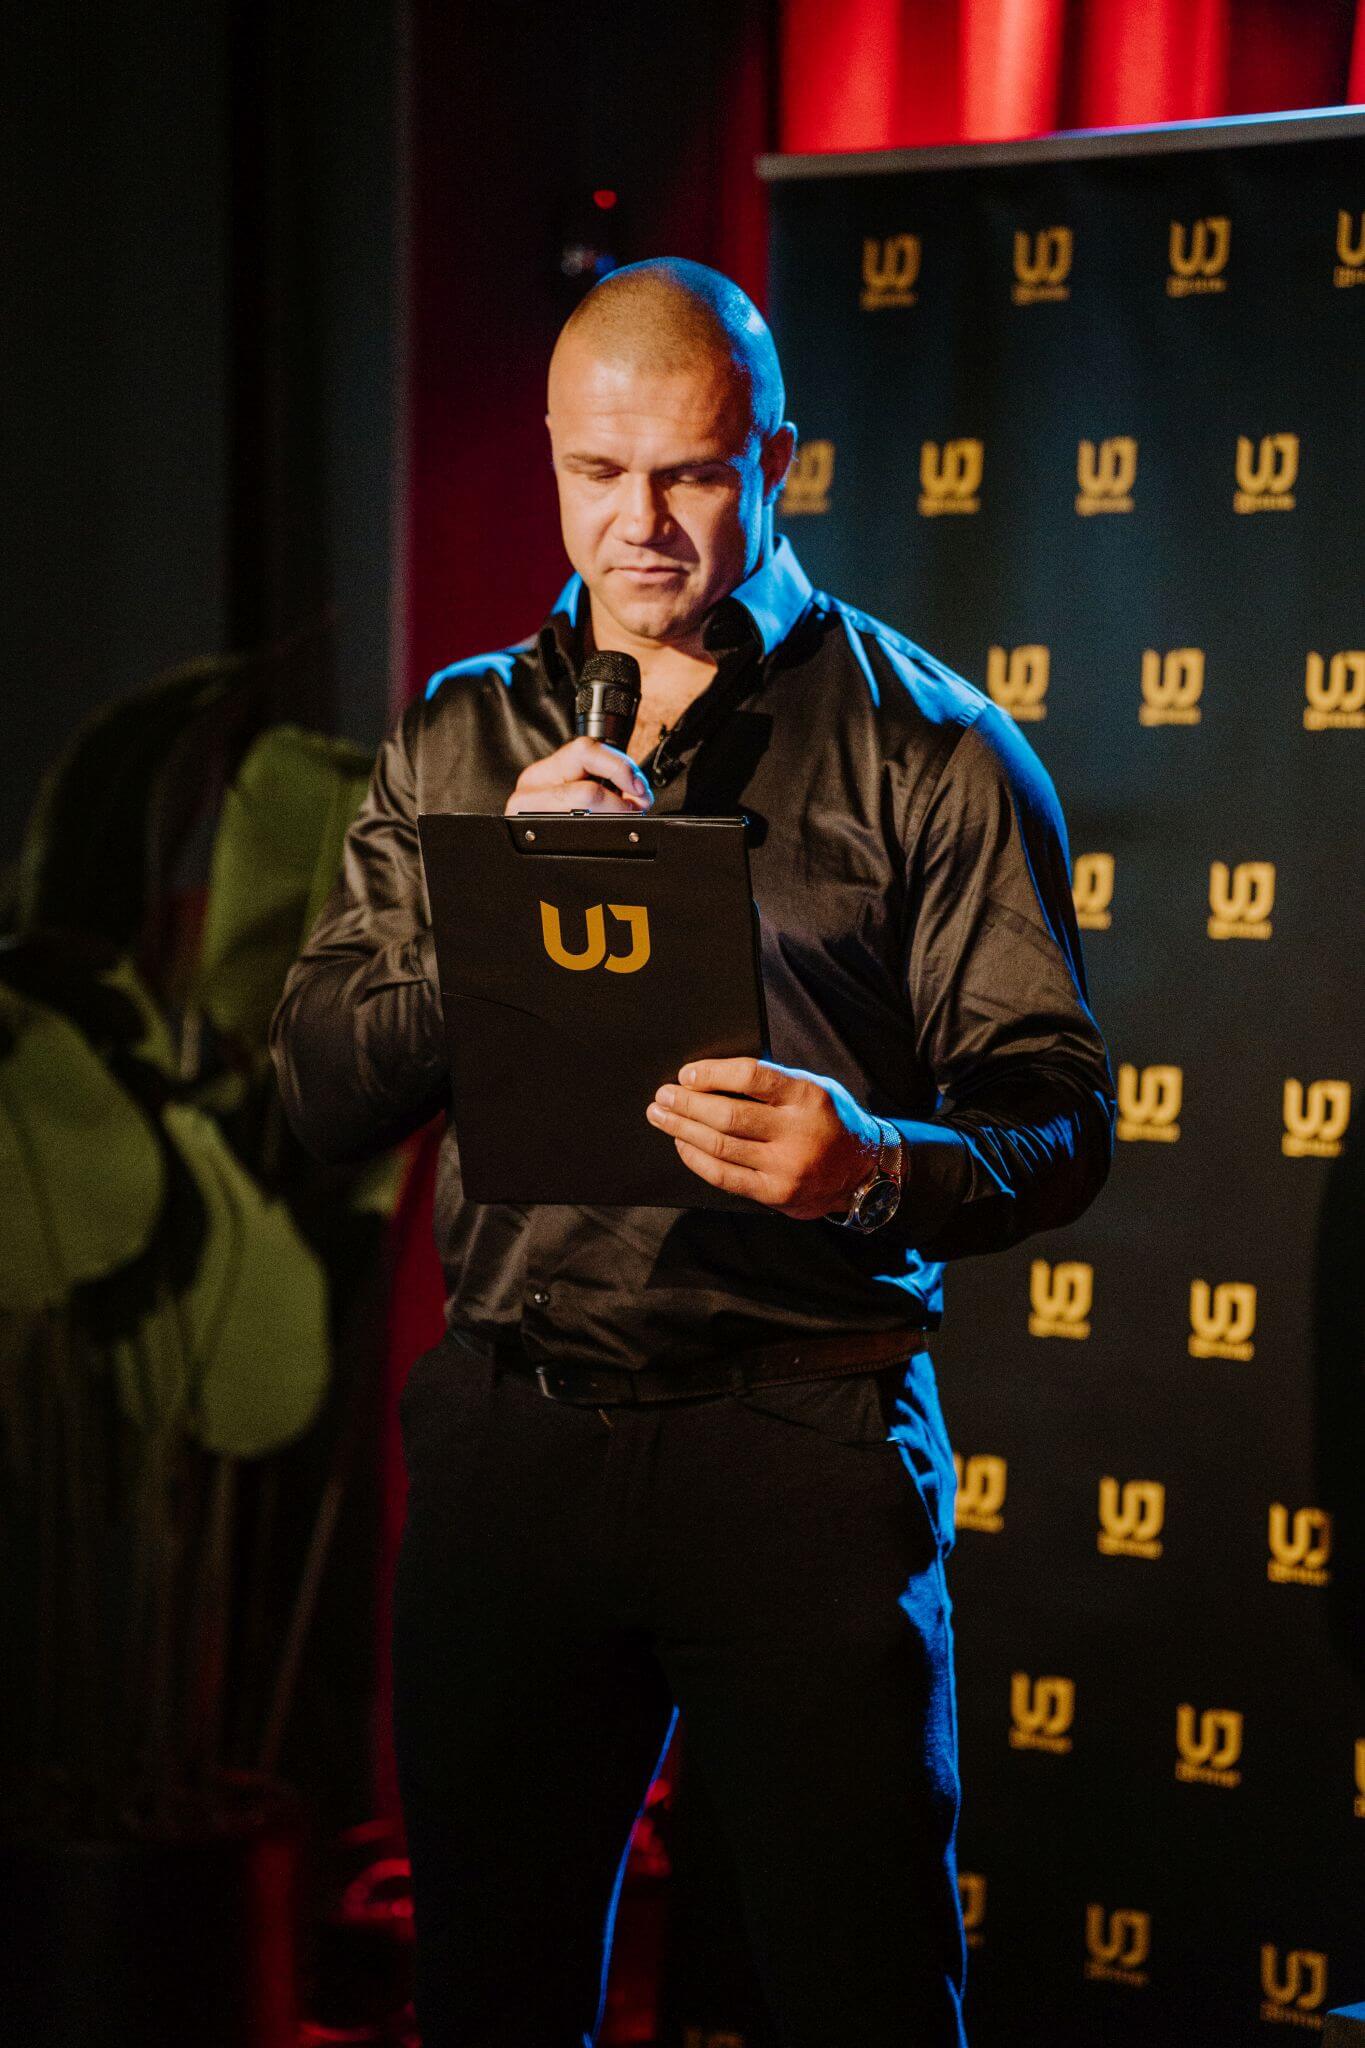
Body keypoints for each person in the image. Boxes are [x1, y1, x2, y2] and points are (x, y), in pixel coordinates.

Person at [271, 257, 1114, 2048]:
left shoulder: (930, 744)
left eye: (690, 475)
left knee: (860, 1991)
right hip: (514, 1436)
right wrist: (488, 916)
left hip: (797, 1441)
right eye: (596, 473)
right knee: (489, 1994)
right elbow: (322, 1090)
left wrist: (870, 1165)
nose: (635, 525)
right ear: (550, 458)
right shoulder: (461, 730)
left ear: (776, 461)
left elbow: (1057, 1116)